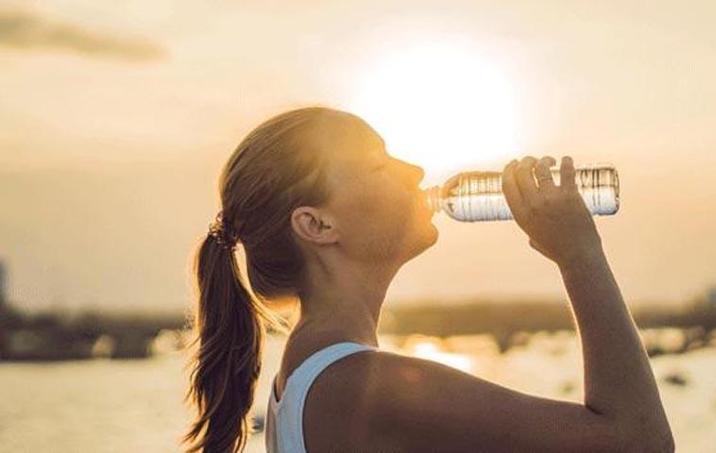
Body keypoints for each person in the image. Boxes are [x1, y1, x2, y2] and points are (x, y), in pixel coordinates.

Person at [183, 106, 674, 452]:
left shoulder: (302, 380)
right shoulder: (357, 386)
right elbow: (637, 442)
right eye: (379, 164)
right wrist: (579, 254)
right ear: (318, 225)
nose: (415, 170)